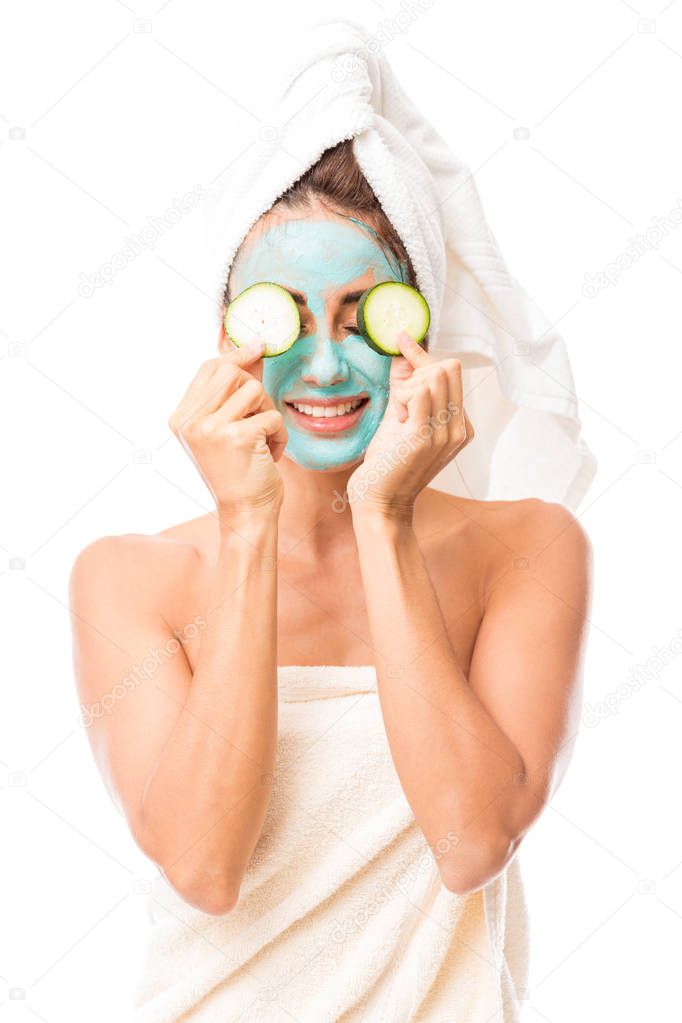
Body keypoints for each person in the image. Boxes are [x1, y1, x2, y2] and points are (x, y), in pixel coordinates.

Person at [70, 139, 591, 1021]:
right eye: (286, 319)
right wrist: (246, 524)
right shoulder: (129, 577)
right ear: (231, 340)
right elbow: (204, 866)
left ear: (421, 331)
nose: (321, 366)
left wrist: (385, 517)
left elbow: (470, 842)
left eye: (362, 315)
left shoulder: (533, 549)